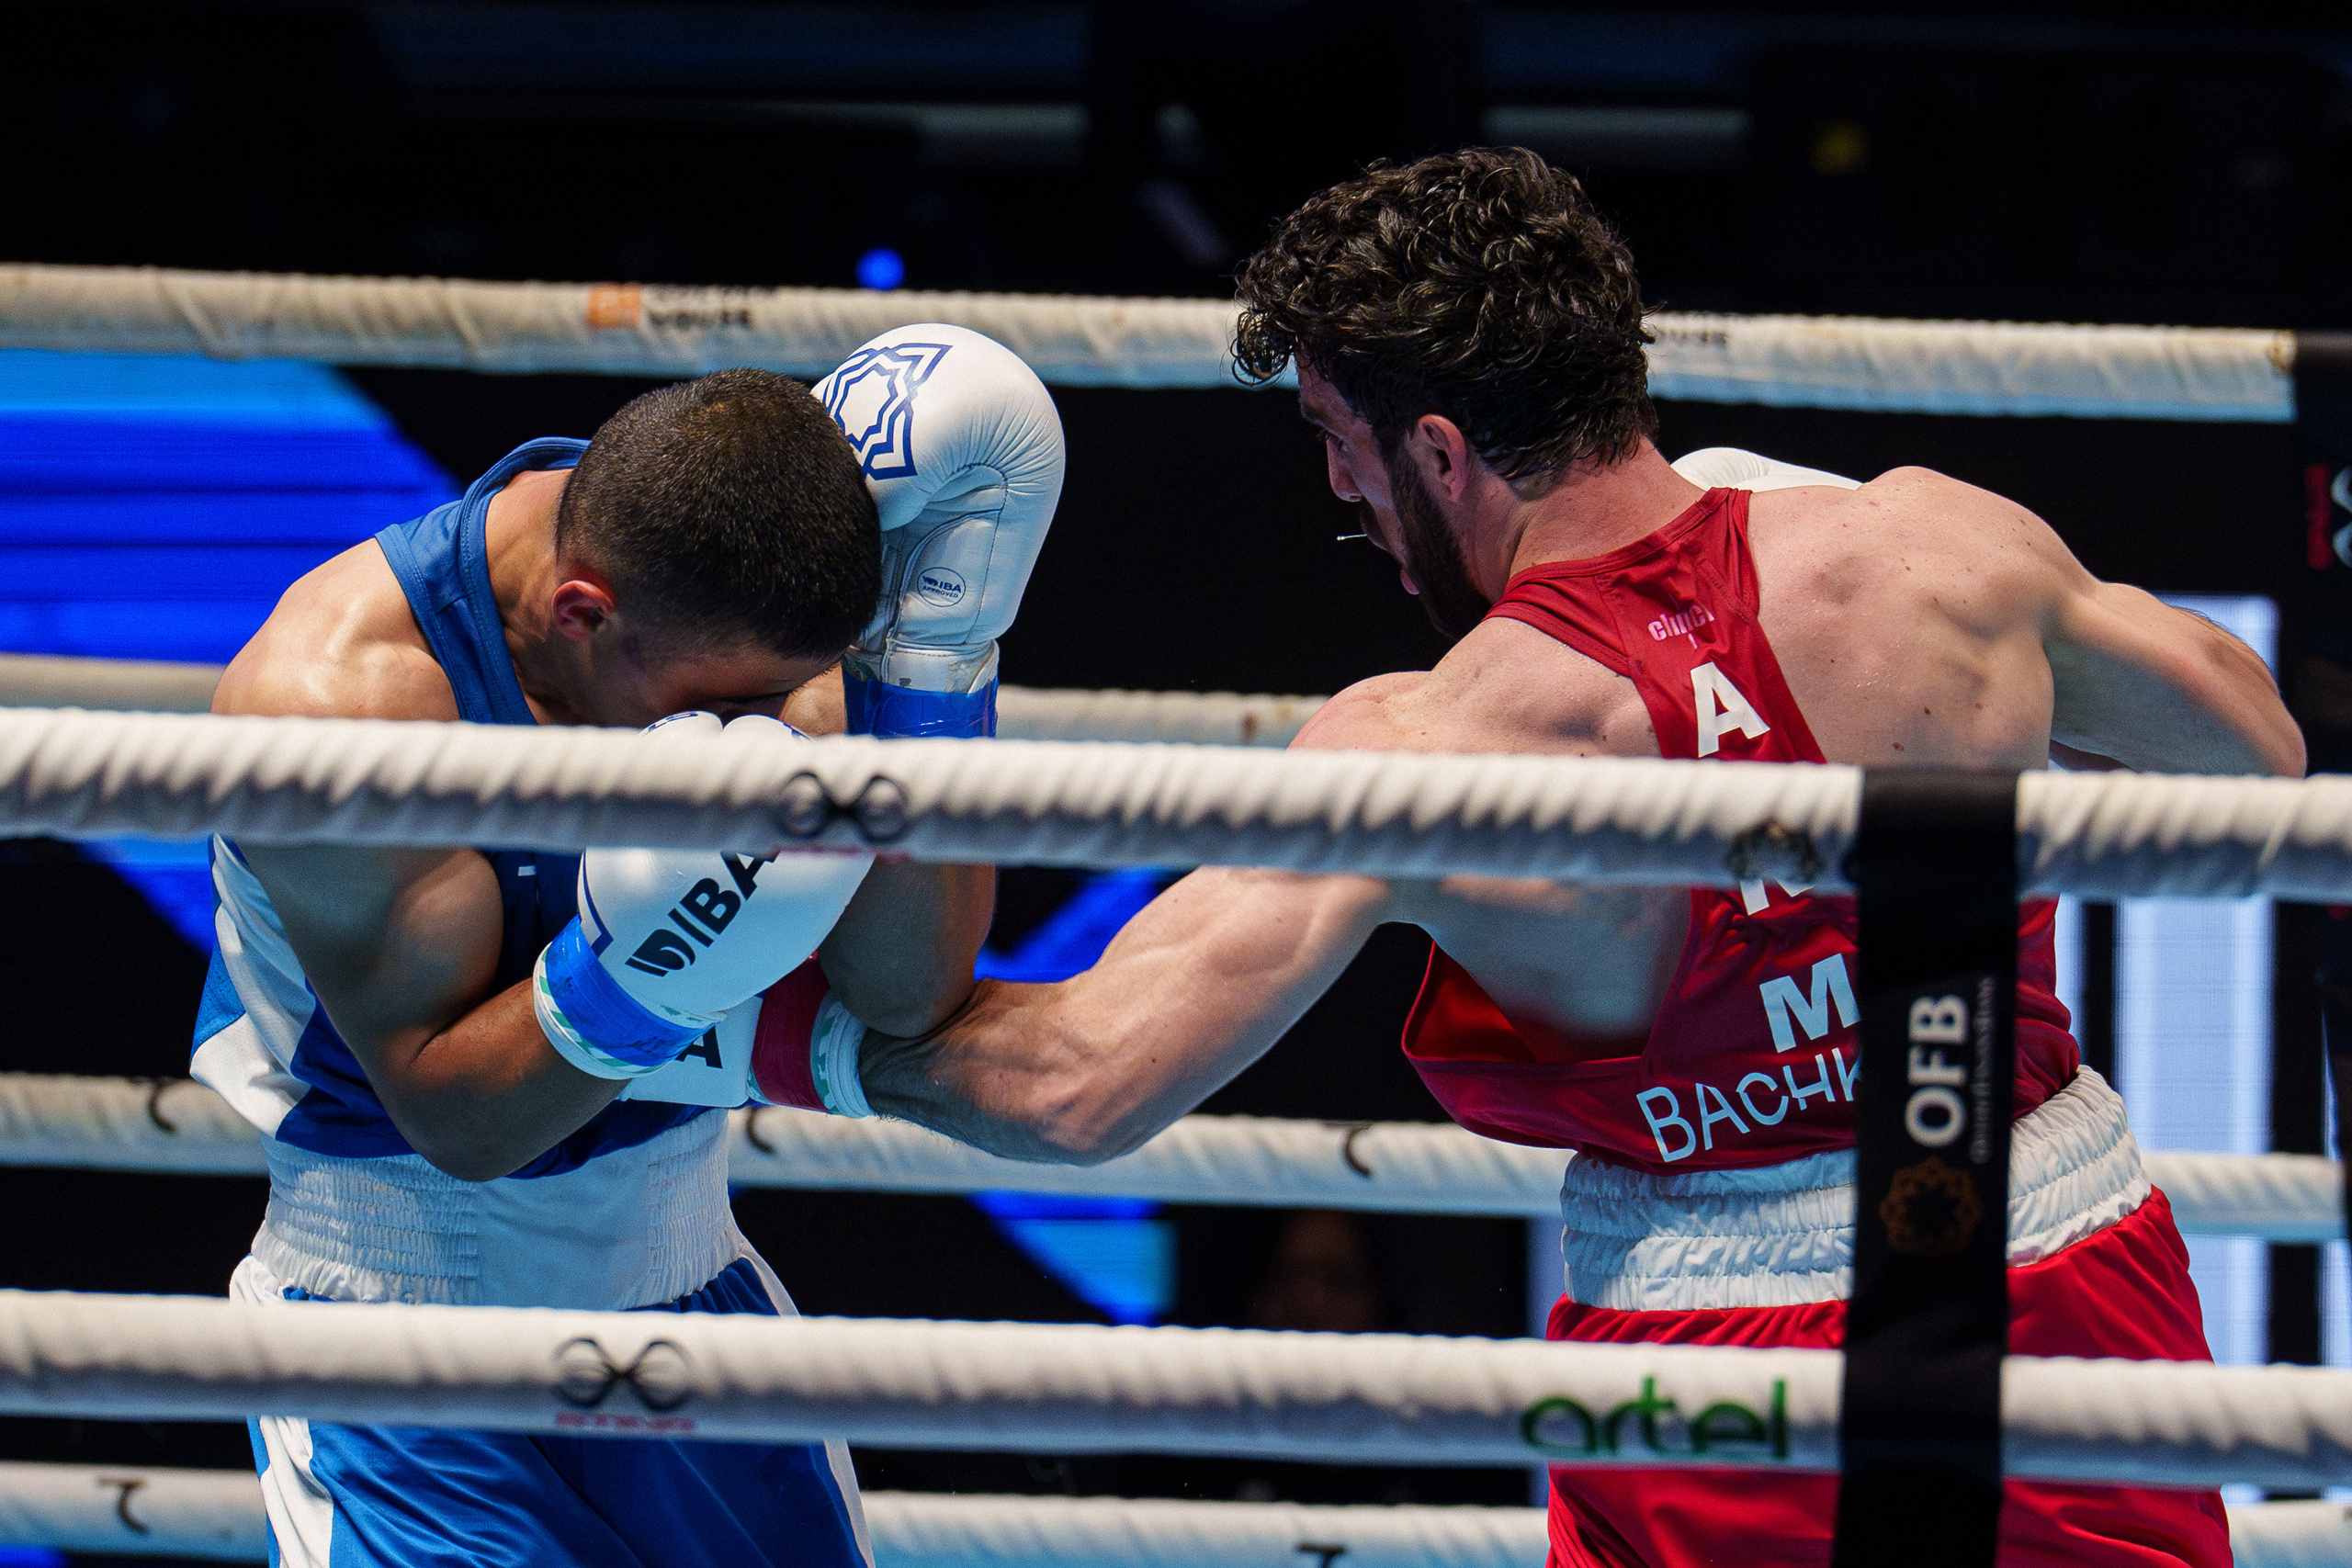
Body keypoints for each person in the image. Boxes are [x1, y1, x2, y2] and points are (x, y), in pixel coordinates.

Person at [833, 150, 2306, 1567]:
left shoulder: (1424, 752)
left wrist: (764, 1038)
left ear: (1438, 450)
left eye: (1339, 446)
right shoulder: (1933, 551)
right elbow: (2258, 761)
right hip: (2052, 1267)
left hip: (1713, 1352)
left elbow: (1077, 1088)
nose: (1344, 499)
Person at [193, 326, 1063, 1567]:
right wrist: (645, 970)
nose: (753, 736)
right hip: (402, 1350)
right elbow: (461, 1124)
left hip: (694, 1295)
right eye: (720, 705)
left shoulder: (750, 625)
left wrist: (926, 679)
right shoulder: (343, 706)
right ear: (581, 612)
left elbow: (906, 992)